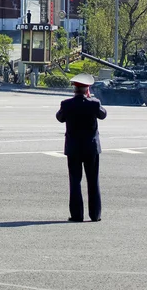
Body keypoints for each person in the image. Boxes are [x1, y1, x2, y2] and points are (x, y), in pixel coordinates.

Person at [56, 73, 107, 223]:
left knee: (75, 181)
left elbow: (60, 118)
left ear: (74, 89)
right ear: (87, 89)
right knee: (93, 181)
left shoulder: (66, 104)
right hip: (91, 148)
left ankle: (77, 215)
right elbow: (103, 115)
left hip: (73, 148)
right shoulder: (94, 103)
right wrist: (90, 98)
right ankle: (95, 215)